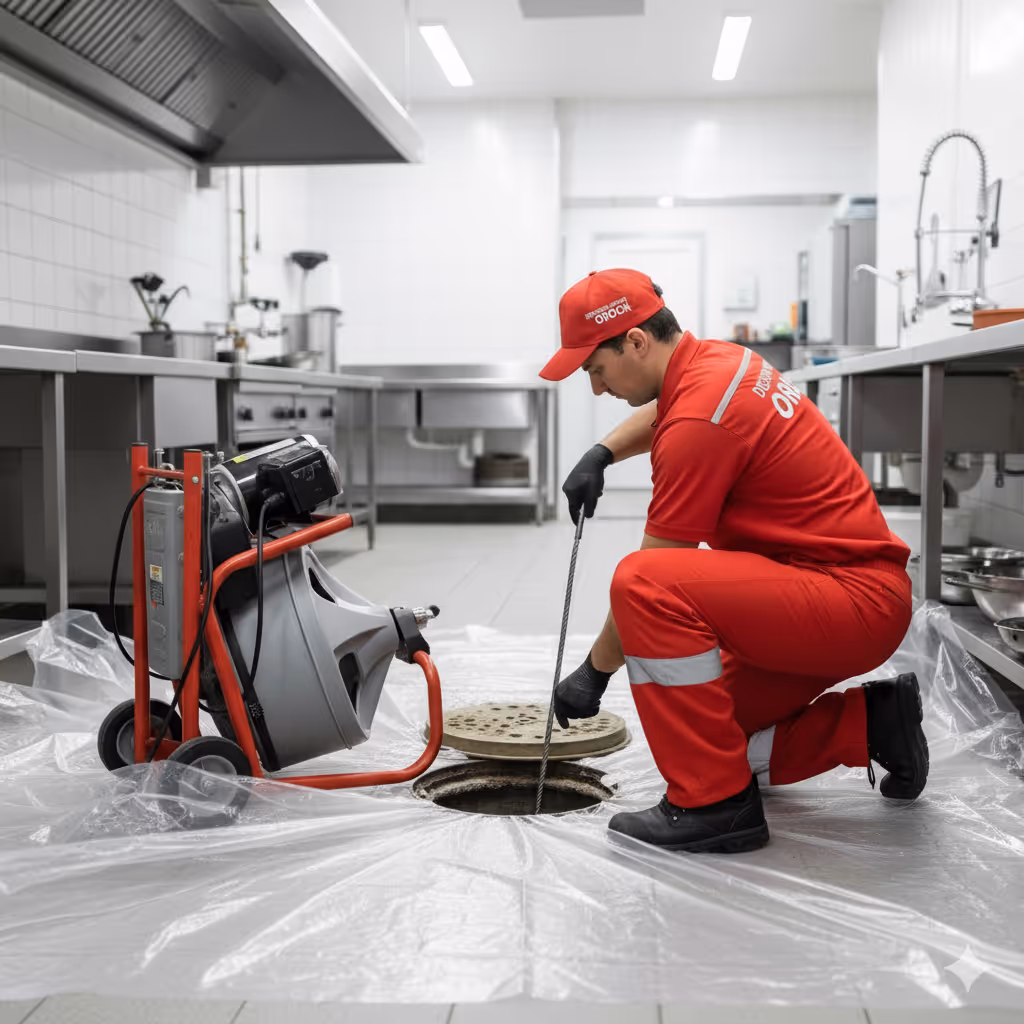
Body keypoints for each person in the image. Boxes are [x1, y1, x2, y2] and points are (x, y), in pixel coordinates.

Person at [539, 268, 927, 854]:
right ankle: (872, 724)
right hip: (834, 592)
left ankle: (714, 806)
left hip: (846, 602)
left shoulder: (697, 423)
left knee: (644, 583)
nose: (596, 389)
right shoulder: (715, 362)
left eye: (596, 369)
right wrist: (604, 451)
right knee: (716, 734)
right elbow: (669, 410)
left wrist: (594, 672)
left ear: (637, 342)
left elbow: (654, 575)